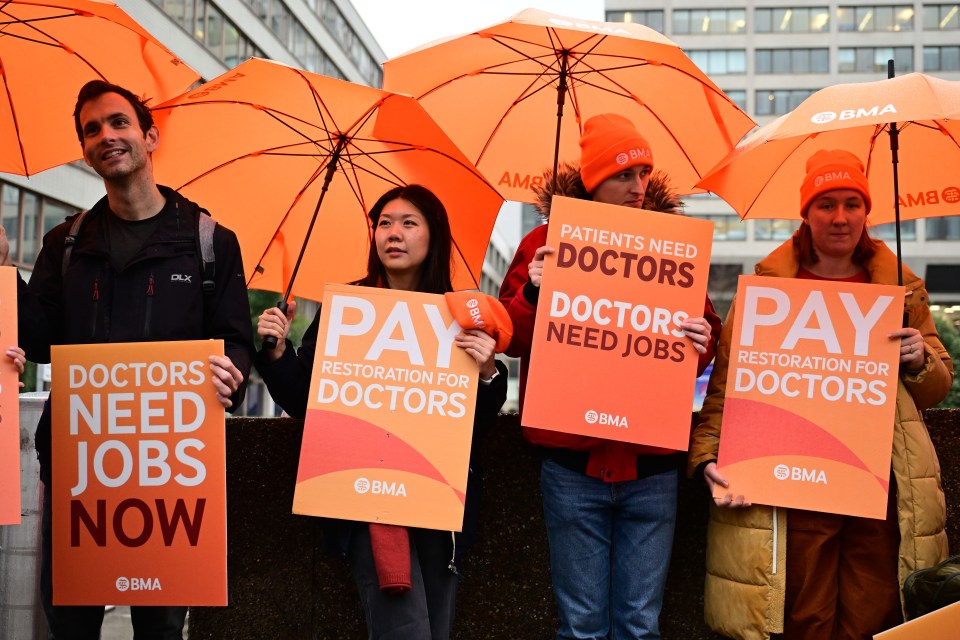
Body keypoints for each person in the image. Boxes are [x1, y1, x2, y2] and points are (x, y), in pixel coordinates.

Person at [0, 80, 254, 640]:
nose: (105, 136)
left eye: (118, 123)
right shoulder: (64, 244)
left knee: (161, 631)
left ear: (149, 136)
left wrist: (229, 369)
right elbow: (40, 341)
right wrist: (3, 274)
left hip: (172, 472)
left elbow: (235, 342)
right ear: (85, 151)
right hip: (80, 468)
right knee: (70, 625)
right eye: (91, 130)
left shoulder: (211, 242)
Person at [687, 149, 955, 640]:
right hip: (793, 488)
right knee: (801, 620)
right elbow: (726, 388)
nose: (840, 217)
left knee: (873, 618)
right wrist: (706, 457)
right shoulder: (769, 290)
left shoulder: (903, 289)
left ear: (866, 212)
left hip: (880, 489)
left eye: (852, 203)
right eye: (826, 204)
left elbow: (937, 388)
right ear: (806, 213)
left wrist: (921, 360)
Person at [499, 113, 721, 639]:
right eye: (625, 175)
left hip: (651, 467)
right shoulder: (541, 245)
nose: (638, 187)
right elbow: (511, 338)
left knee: (640, 627)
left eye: (644, 174)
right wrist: (533, 292)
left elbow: (706, 336)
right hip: (572, 466)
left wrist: (701, 340)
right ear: (594, 180)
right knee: (581, 628)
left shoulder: (673, 246)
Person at [255, 184, 508, 640]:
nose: (393, 233)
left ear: (434, 236)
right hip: (365, 501)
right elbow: (305, 402)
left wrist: (487, 370)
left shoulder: (458, 315)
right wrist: (277, 353)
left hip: (436, 501)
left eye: (409, 223)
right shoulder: (347, 308)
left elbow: (477, 427)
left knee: (437, 626)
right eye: (384, 223)